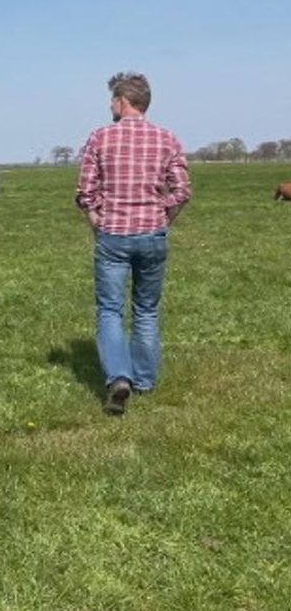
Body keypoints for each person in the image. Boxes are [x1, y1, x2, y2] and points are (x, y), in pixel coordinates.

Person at [75, 72, 192, 414]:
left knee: (110, 309)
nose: (110, 105)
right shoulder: (167, 139)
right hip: (152, 234)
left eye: (112, 99)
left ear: (123, 101)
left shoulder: (100, 138)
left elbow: (85, 191)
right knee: (146, 309)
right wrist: (163, 220)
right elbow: (183, 191)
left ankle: (118, 377)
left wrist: (97, 221)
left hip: (113, 234)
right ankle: (144, 380)